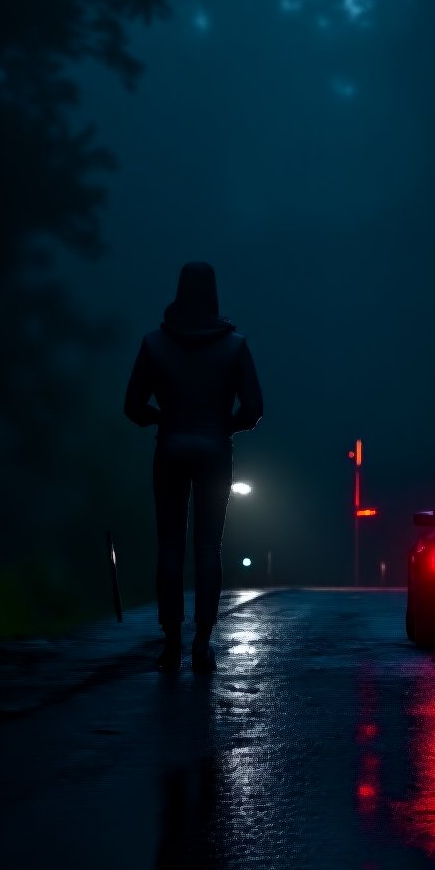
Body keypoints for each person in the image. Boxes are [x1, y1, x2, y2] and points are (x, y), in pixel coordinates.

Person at [124, 262, 264, 672]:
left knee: (169, 546)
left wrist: (162, 419)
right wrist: (225, 426)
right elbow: (254, 409)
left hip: (169, 447)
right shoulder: (235, 346)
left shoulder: (154, 343)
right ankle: (203, 641)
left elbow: (131, 406)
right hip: (215, 450)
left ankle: (170, 643)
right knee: (207, 546)